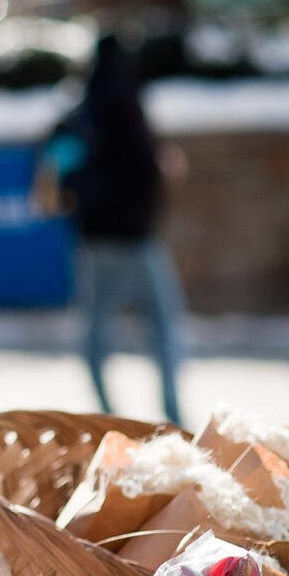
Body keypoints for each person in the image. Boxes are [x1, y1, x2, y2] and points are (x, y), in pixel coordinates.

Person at [37, 32, 188, 426]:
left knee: (95, 331)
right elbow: (146, 167)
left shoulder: (79, 114)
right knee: (164, 327)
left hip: (92, 241)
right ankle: (173, 414)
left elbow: (55, 173)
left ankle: (105, 416)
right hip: (137, 241)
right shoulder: (129, 105)